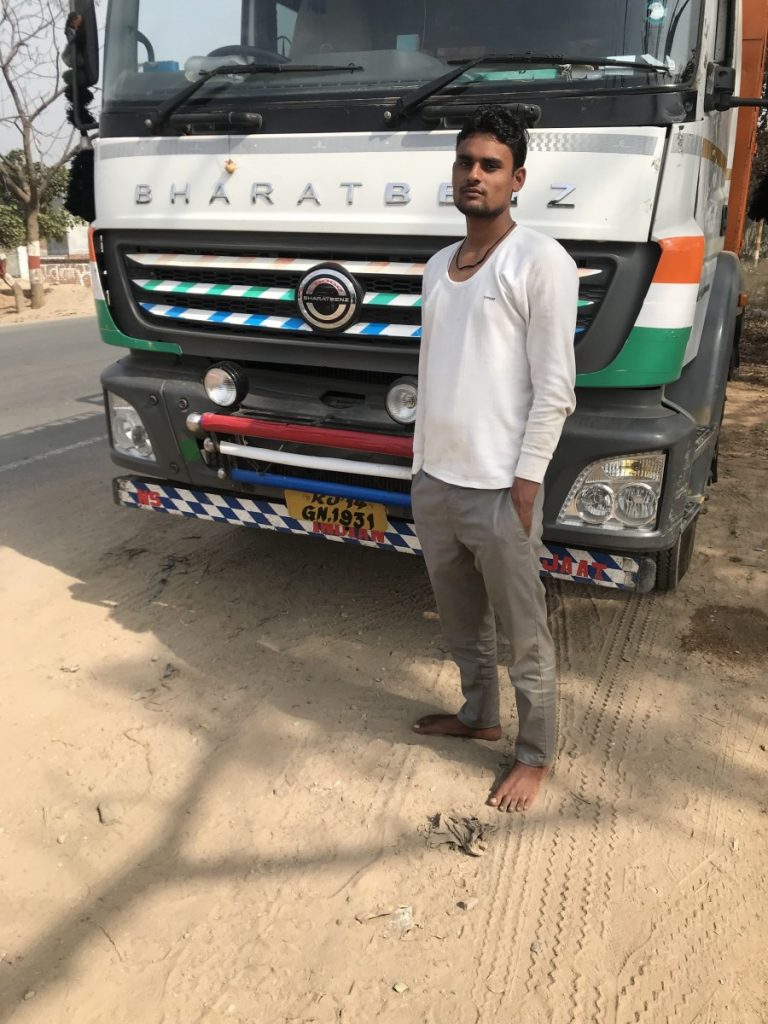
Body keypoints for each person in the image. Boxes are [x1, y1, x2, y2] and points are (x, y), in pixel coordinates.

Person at [410, 105, 578, 813]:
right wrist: (419, 467)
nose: (474, 175)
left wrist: (527, 480)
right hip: (436, 484)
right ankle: (479, 716)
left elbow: (556, 388)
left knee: (524, 635)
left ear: (518, 179)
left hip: (501, 490)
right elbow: (433, 373)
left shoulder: (540, 261)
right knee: (460, 624)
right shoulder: (436, 266)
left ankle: (534, 754)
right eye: (465, 162)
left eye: (490, 165)